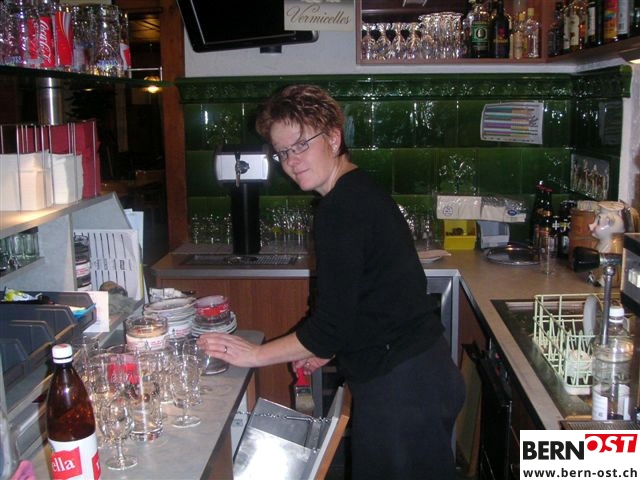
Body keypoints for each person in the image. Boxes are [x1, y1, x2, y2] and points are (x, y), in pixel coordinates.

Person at [198, 84, 465, 479]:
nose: (292, 161)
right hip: (419, 376)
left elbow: (328, 327)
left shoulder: (340, 208)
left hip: (402, 391)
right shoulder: (357, 189)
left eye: (301, 145)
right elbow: (369, 299)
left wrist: (255, 355)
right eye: (282, 152)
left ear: (334, 138)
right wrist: (331, 346)